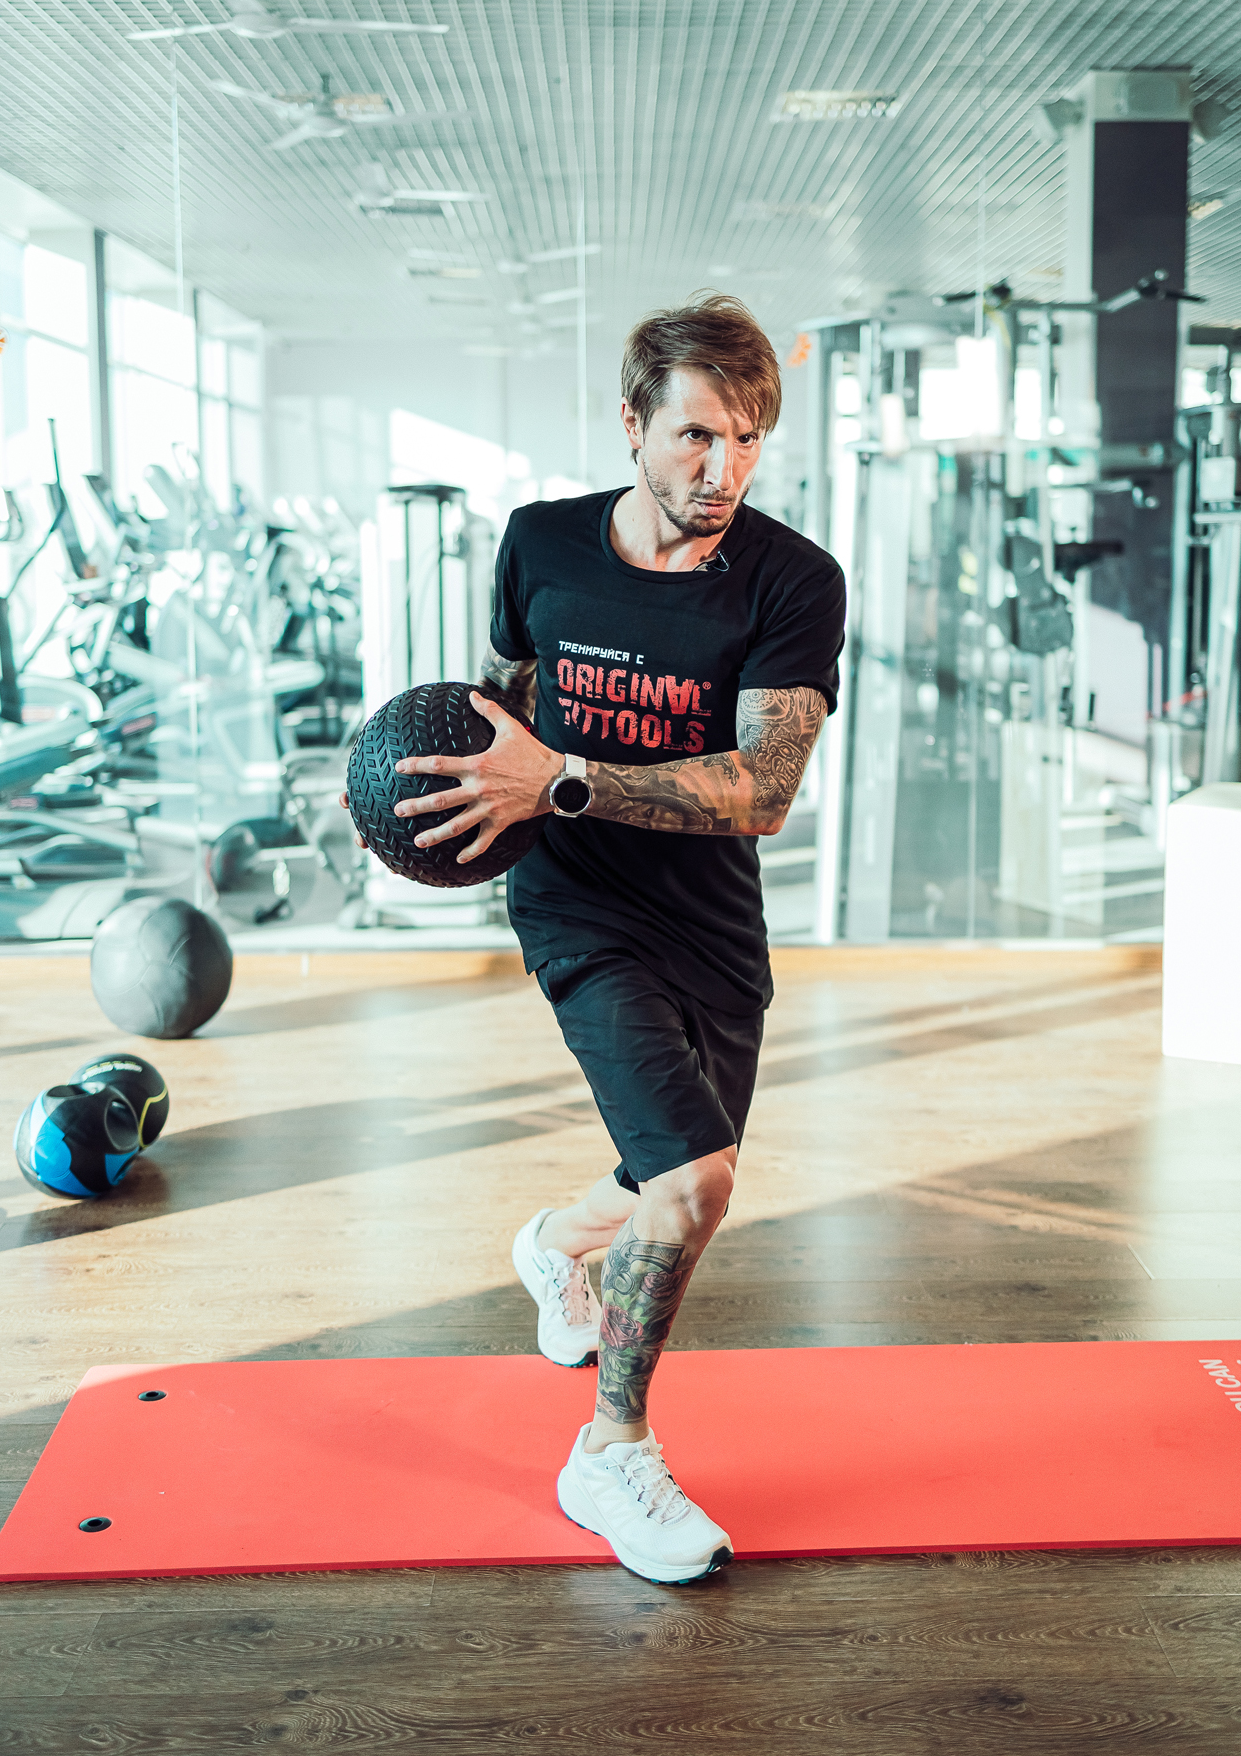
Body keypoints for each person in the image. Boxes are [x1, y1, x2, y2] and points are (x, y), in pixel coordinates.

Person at [377, 295, 845, 1583]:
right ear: (632, 422)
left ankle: (552, 1246)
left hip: (711, 917)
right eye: (696, 434)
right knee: (694, 1181)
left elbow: (764, 788)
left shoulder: (794, 580)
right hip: (576, 904)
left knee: (672, 1184)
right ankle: (609, 1452)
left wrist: (564, 780)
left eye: (747, 439)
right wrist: (444, 809)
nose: (723, 469)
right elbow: (504, 711)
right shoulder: (540, 543)